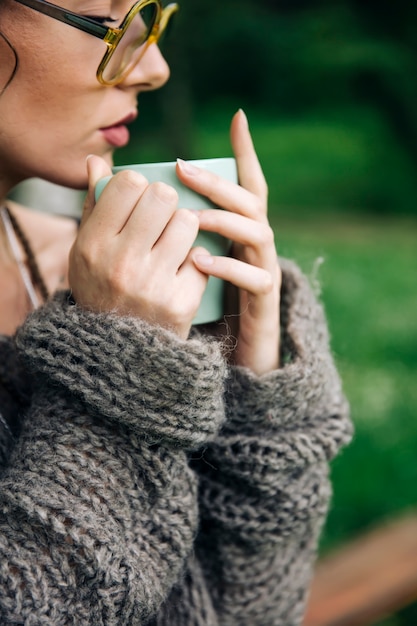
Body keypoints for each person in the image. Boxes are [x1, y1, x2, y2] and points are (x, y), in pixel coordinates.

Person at [0, 0, 352, 623]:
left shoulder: (94, 274)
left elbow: (251, 614)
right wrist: (116, 382)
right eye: (110, 20)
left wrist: (255, 393)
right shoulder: (112, 309)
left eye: (155, 19)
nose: (153, 67)